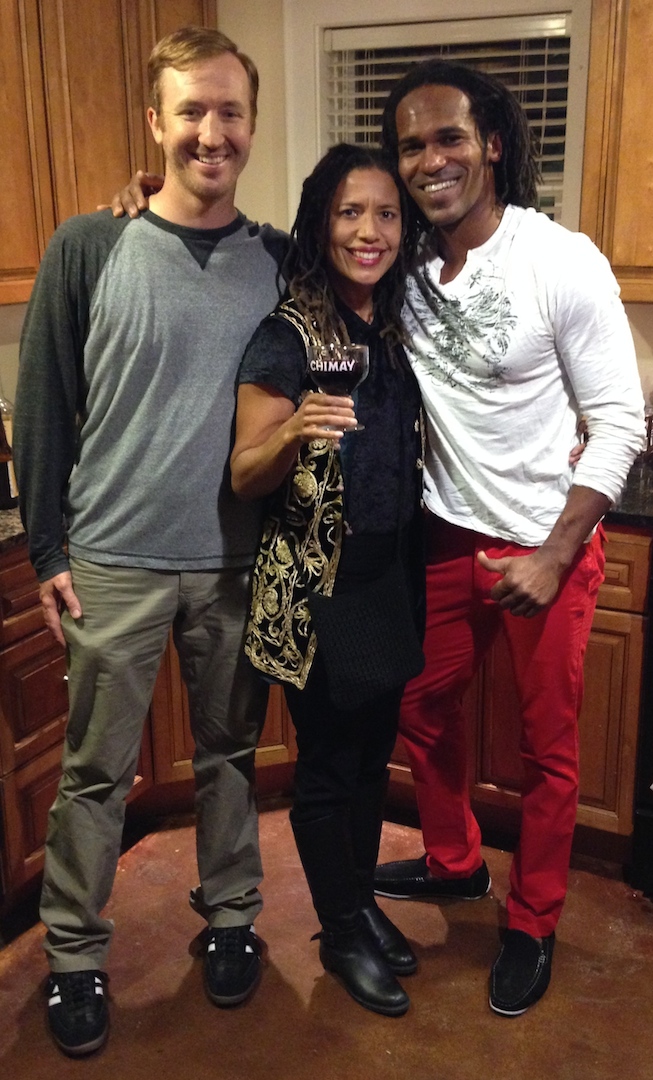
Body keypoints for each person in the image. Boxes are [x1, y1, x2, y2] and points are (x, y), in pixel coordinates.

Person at [12, 26, 287, 1058]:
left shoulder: (282, 260)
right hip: (114, 562)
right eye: (191, 111)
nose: (211, 133)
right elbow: (44, 403)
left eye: (229, 112)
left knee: (228, 758)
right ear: (154, 122)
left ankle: (231, 920)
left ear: (252, 123)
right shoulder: (89, 246)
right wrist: (49, 552)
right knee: (95, 773)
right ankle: (74, 957)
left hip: (234, 561)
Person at [371, 59, 644, 1017]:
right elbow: (314, 237)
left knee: (547, 749)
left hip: (544, 546)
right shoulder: (402, 262)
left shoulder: (558, 260)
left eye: (448, 137)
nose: (430, 160)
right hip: (445, 535)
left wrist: (555, 554)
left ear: (490, 144)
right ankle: (454, 861)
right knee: (418, 704)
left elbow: (620, 422)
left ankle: (532, 918)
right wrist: (158, 192)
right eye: (411, 145)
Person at [230, 143, 425, 1017]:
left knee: (371, 761)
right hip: (319, 588)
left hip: (388, 575)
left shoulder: (395, 325)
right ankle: (341, 932)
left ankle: (361, 903)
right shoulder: (286, 335)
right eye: (350, 212)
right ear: (320, 223)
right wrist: (290, 432)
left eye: (385, 213)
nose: (368, 231)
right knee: (325, 772)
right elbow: (244, 474)